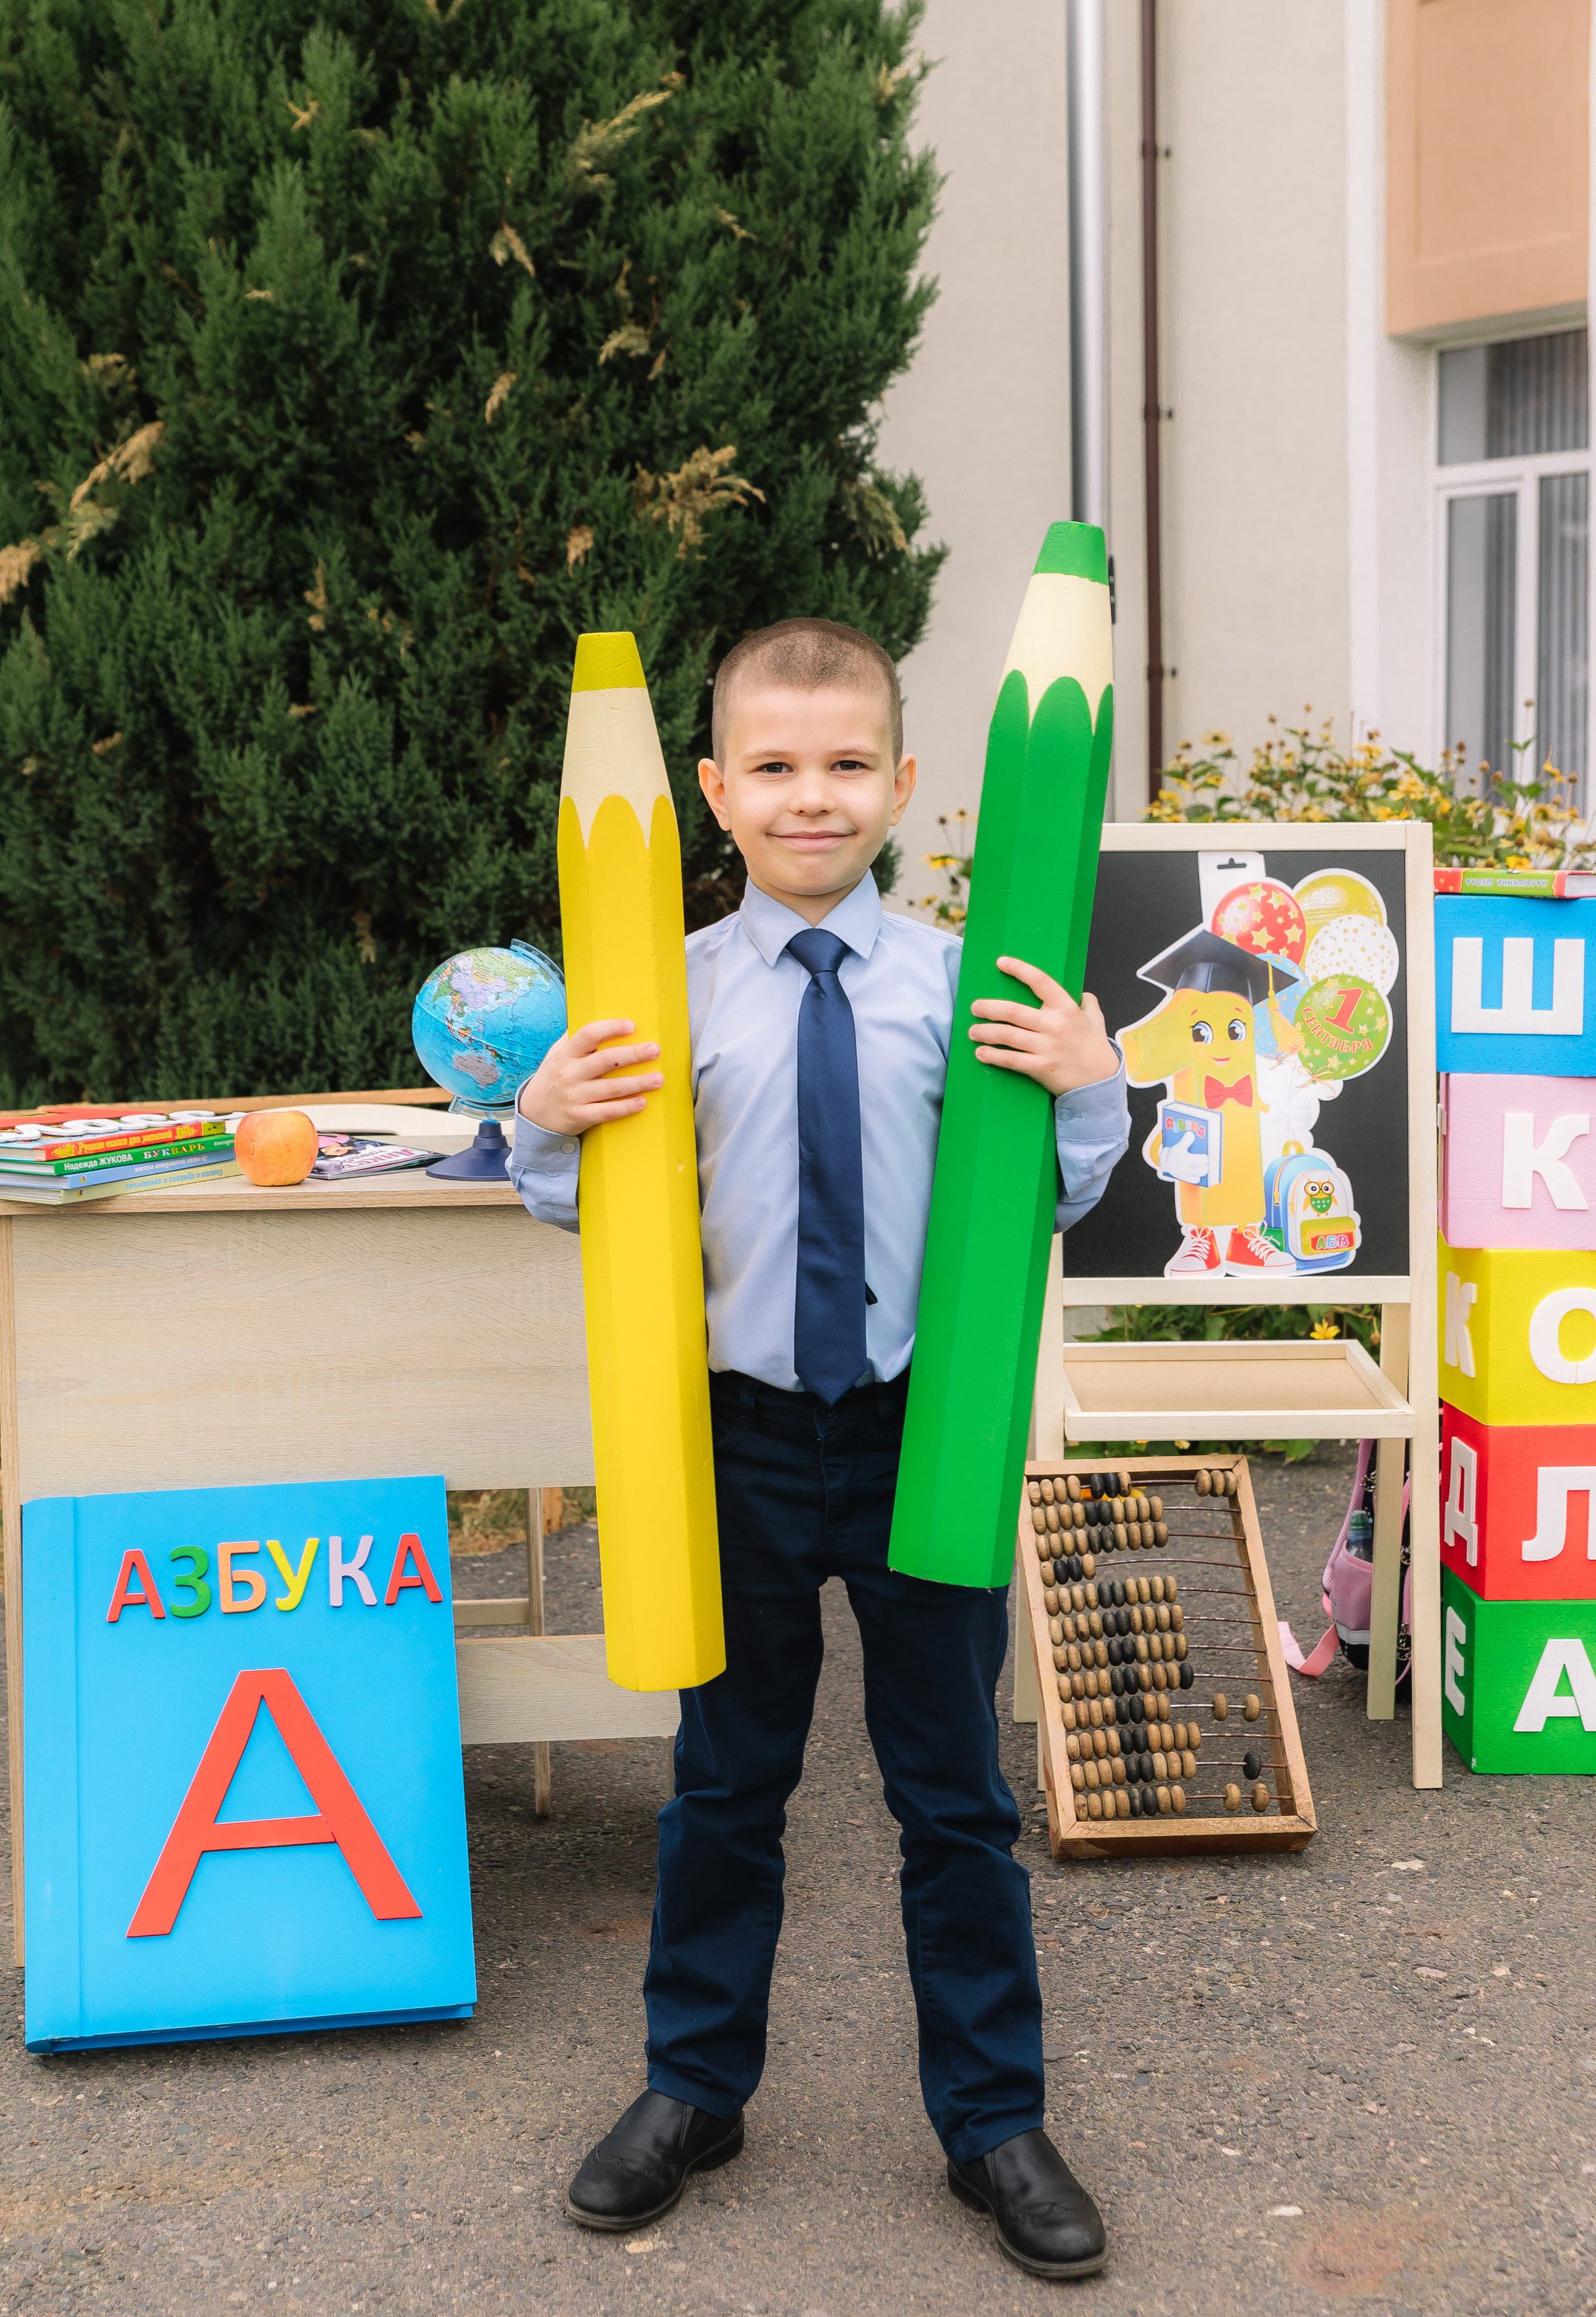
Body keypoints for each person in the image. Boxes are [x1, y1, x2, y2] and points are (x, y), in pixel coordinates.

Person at [511, 617, 1129, 2281]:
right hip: (741, 1448)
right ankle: (694, 2088)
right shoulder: (662, 1000)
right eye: (773, 768)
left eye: (846, 765)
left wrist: (1091, 1084)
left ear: (905, 784)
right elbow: (597, 1213)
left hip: (921, 1431)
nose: (811, 797)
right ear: (712, 789)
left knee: (954, 1798)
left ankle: (993, 2119)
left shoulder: (964, 982)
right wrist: (542, 1123)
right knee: (726, 1785)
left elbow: (1042, 1201)